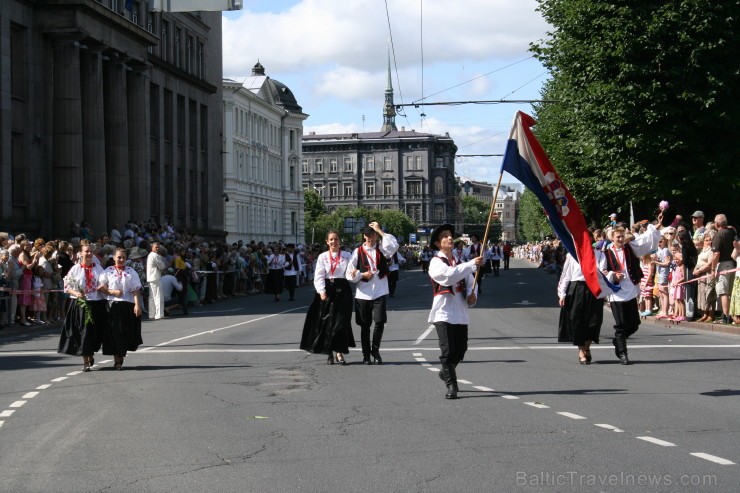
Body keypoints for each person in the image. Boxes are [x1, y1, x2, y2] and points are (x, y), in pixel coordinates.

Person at [427, 223, 483, 399]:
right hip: (443, 312)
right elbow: (448, 276)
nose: (450, 238)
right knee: (448, 351)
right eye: (445, 236)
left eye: (450, 235)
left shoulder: (460, 262)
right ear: (438, 243)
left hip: (460, 312)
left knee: (461, 350)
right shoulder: (436, 263)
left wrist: (472, 295)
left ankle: (446, 372)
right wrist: (471, 264)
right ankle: (452, 385)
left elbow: (471, 283)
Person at [600, 216, 663, 365]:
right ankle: (623, 354)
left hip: (631, 289)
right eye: (618, 237)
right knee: (621, 325)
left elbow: (646, 241)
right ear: (612, 238)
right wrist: (612, 275)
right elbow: (601, 271)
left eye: (622, 236)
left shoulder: (631, 247)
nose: (621, 239)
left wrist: (655, 227)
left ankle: (618, 341)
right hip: (616, 292)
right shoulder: (606, 253)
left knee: (634, 324)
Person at [347, 222, 399, 365]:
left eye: (373, 234)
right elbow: (349, 274)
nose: (370, 238)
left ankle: (375, 350)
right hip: (363, 293)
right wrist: (362, 274)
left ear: (376, 235)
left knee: (380, 321)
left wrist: (380, 230)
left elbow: (394, 246)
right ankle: (366, 354)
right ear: (364, 236)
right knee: (365, 325)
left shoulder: (382, 249)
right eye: (368, 235)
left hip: (380, 291)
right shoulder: (357, 252)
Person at [300, 230, 356, 365]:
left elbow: (350, 272)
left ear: (339, 241)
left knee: (341, 323)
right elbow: (319, 275)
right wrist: (321, 291)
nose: (333, 242)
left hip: (342, 289)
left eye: (336, 239)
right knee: (327, 322)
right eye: (331, 239)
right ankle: (329, 351)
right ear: (327, 241)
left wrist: (354, 273)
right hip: (327, 289)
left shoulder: (347, 255)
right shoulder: (323, 257)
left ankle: (340, 352)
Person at [58, 241, 107, 372]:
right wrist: (76, 293)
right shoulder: (75, 269)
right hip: (80, 304)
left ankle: (90, 353)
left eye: (91, 251)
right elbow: (67, 286)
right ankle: (85, 360)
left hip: (96, 303)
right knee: (83, 332)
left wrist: (104, 288)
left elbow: (104, 283)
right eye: (87, 251)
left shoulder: (98, 268)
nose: (89, 253)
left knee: (94, 332)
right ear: (81, 253)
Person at [98, 248, 143, 370]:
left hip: (126, 306)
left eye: (123, 257)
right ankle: (117, 359)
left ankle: (121, 355)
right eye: (119, 257)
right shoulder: (108, 271)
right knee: (113, 333)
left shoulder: (131, 271)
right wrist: (111, 292)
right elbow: (101, 287)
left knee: (124, 332)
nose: (121, 259)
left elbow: (135, 290)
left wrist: (137, 305)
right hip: (112, 305)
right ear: (114, 257)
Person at [558, 248, 604, 365]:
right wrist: (562, 294)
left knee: (594, 321)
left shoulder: (599, 254)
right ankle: (581, 350)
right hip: (578, 287)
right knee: (577, 320)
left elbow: (603, 272)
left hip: (594, 288)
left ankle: (587, 347)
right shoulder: (572, 255)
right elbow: (566, 275)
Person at [711, 214, 736, 325]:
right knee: (730, 291)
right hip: (734, 264)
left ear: (716, 224)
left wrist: (713, 269)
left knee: (723, 292)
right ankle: (731, 315)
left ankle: (726, 317)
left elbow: (716, 254)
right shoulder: (733, 232)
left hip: (724, 265)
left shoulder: (718, 235)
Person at [694, 232, 717, 322]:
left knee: (709, 294)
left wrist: (699, 271)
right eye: (706, 240)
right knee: (702, 294)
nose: (707, 242)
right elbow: (699, 262)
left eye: (709, 240)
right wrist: (695, 270)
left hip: (707, 274)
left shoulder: (711, 250)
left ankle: (711, 314)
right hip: (701, 275)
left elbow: (709, 264)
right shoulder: (702, 250)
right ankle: (705, 313)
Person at [146, 241, 168, 320]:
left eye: (158, 247)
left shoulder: (150, 255)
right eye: (156, 247)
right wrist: (164, 266)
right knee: (158, 296)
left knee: (152, 297)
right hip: (155, 277)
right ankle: (159, 314)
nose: (158, 248)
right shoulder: (155, 255)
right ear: (152, 247)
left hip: (151, 277)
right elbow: (162, 266)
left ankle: (152, 314)